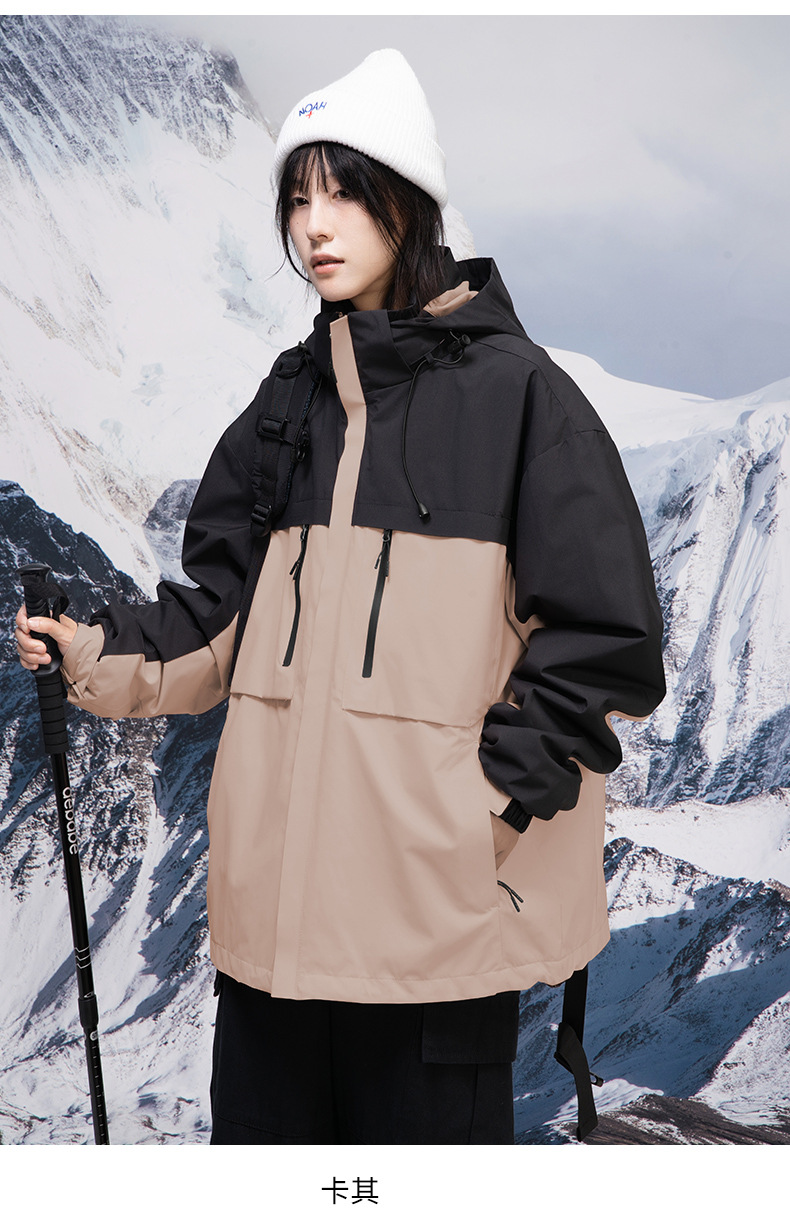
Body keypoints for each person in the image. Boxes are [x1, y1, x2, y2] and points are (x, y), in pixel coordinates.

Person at [16, 49, 665, 1144]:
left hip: (435, 945)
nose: (314, 226)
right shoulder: (288, 405)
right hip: (271, 951)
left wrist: (478, 814)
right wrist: (86, 647)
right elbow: (217, 622)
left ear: (407, 201)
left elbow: (606, 642)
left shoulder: (523, 402)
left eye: (344, 194)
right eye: (296, 199)